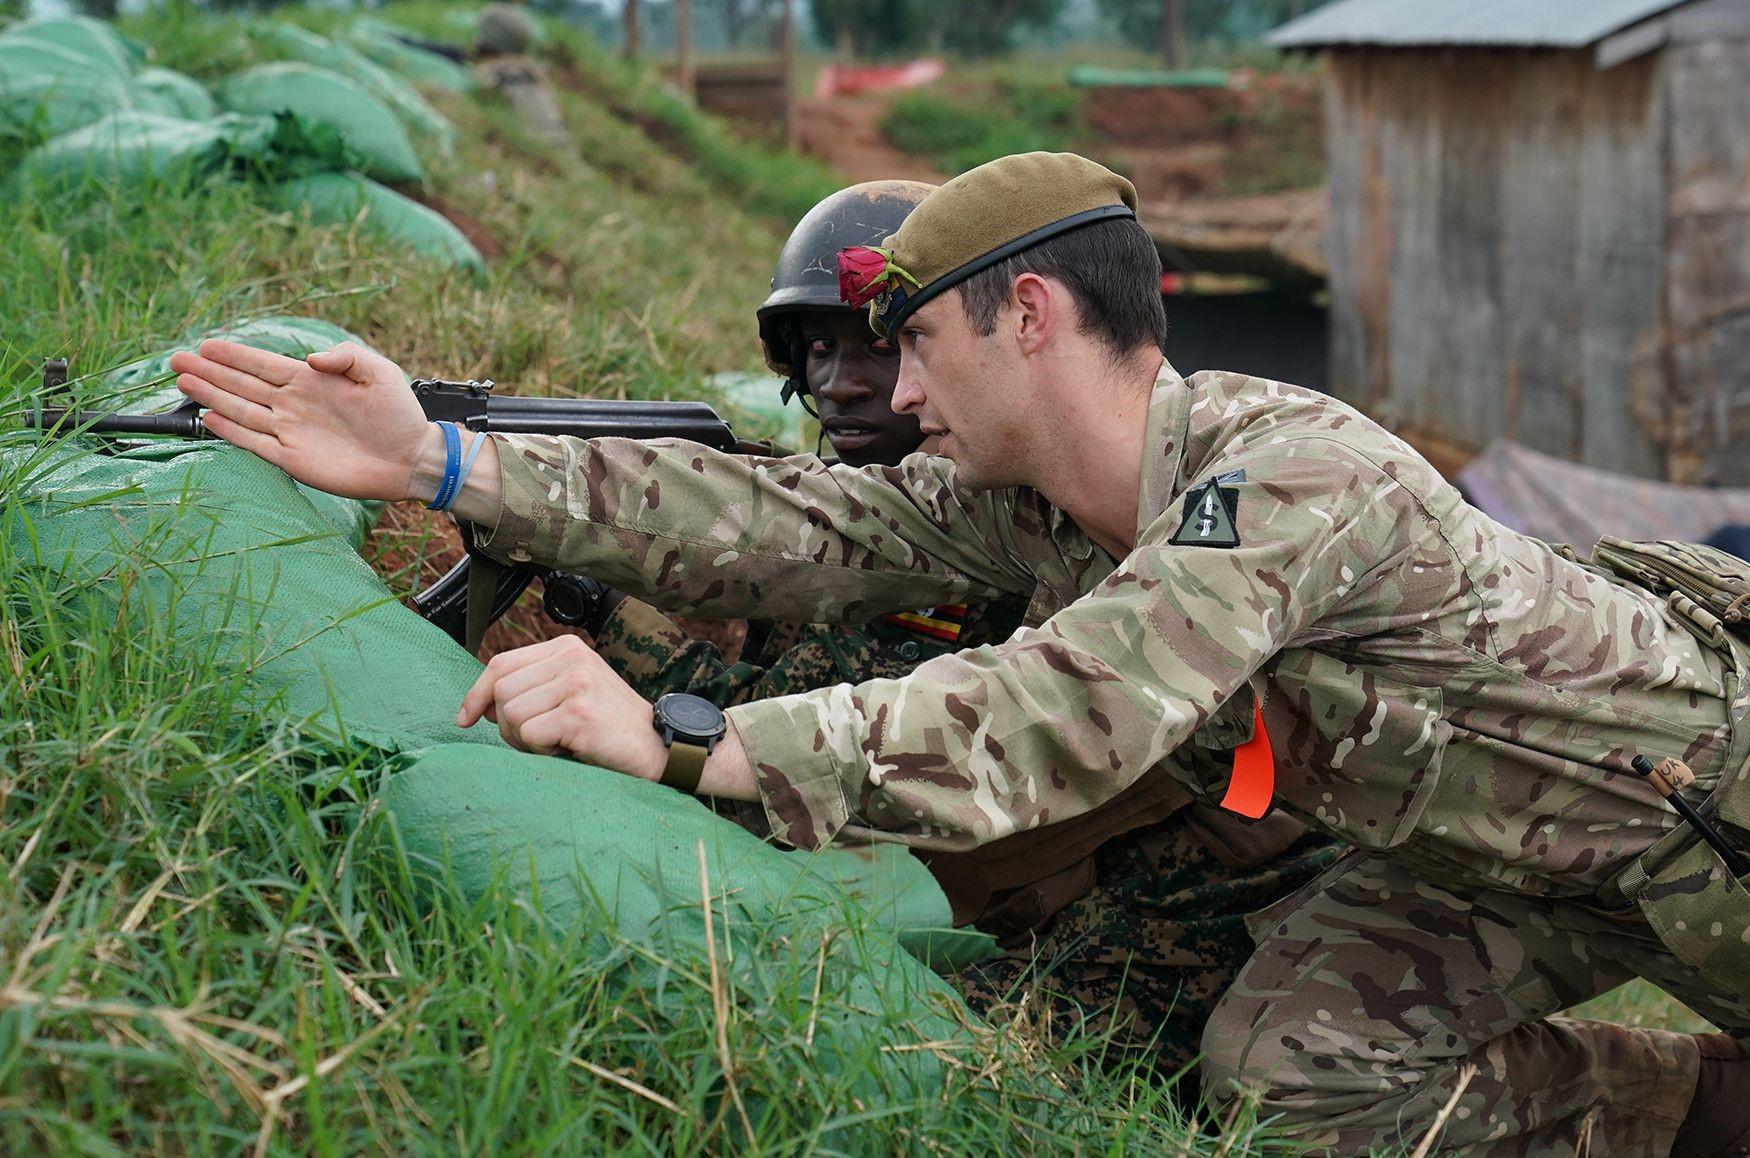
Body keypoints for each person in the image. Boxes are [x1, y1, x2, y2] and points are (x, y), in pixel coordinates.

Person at [170, 152, 1749, 1153]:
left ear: (1031, 315)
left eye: (916, 341)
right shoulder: (1039, 507)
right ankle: (1691, 1107)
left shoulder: (1285, 475)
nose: (898, 392)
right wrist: (438, 461)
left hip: (1704, 829)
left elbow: (1066, 708)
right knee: (1286, 1072)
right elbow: (786, 519)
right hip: (1480, 862)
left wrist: (688, 741)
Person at [573, 179, 1336, 1089]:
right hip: (1056, 905)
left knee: (893, 1061)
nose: (848, 383)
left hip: (1170, 926)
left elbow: (793, 732)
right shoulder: (923, 513)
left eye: (890, 344)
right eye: (819, 348)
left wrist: (609, 621)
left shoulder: (1023, 532)